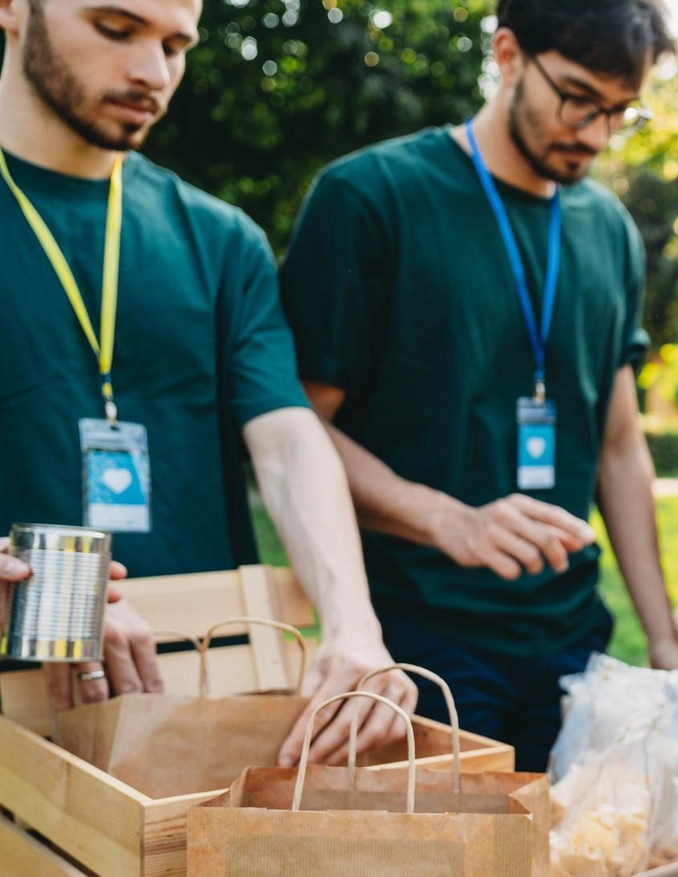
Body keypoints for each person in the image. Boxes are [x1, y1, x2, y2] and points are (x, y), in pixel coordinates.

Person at [277, 0, 678, 770]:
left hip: (574, 639)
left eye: (619, 112)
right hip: (418, 643)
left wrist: (665, 636)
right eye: (577, 97)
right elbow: (293, 428)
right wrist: (449, 520)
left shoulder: (609, 231)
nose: (597, 133)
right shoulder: (370, 197)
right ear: (507, 54)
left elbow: (618, 444)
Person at [0, 0, 413, 766]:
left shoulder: (222, 239)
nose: (152, 74)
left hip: (199, 710)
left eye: (176, 44)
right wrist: (44, 588)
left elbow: (289, 441)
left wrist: (354, 622)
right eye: (116, 30)